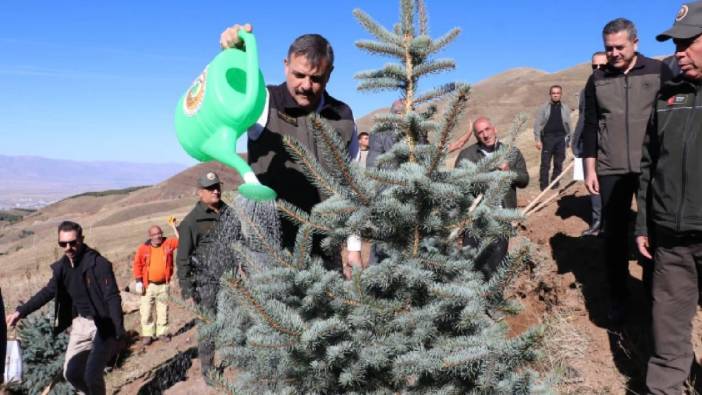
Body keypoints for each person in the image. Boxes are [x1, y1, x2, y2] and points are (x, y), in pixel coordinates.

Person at [220, 24, 358, 257]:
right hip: (268, 249)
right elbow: (229, 95)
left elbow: (353, 185)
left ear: (330, 74)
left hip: (324, 249)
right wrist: (232, 52)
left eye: (316, 78)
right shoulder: (262, 101)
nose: (306, 85)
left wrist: (353, 247)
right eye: (299, 75)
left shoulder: (342, 116)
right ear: (286, 67)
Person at [581, 18, 673, 323]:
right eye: (609, 48)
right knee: (614, 235)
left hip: (652, 167)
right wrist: (590, 168)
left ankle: (652, 295)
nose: (614, 53)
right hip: (611, 167)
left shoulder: (659, 72)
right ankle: (618, 296)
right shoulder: (597, 80)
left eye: (620, 47)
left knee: (653, 233)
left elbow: (673, 116)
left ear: (635, 43)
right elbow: (592, 126)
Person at [635, 2, 702, 392]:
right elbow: (648, 166)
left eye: (687, 42)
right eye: (674, 43)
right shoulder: (667, 98)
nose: (677, 51)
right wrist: (643, 222)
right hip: (670, 243)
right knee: (668, 340)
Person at [5, 221, 124, 395]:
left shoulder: (99, 264)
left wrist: (118, 330)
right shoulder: (62, 268)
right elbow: (47, 292)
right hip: (80, 324)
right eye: (63, 244)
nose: (68, 247)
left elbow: (112, 297)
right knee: (72, 374)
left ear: (81, 239)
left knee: (91, 375)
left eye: (73, 242)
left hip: (103, 324)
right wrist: (20, 312)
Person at [454, 117, 529, 279]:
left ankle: (491, 299)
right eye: (480, 132)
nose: (485, 134)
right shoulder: (466, 155)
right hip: (475, 218)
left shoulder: (512, 153)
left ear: (494, 129)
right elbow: (458, 185)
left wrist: (509, 171)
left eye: (487, 129)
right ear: (476, 136)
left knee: (496, 264)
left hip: (502, 217)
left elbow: (524, 180)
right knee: (470, 263)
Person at [176, 171, 229, 379]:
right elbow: (182, 258)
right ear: (200, 193)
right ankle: (208, 370)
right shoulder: (191, 222)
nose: (216, 191)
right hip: (206, 284)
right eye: (210, 188)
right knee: (208, 326)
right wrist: (187, 289)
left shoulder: (228, 212)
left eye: (217, 186)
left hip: (231, 279)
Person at [572, 52, 608, 237]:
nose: (598, 70)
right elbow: (583, 117)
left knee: (609, 185)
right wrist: (576, 141)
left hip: (609, 145)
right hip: (590, 144)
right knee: (593, 185)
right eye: (594, 66)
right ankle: (597, 223)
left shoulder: (614, 86)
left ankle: (608, 223)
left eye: (602, 66)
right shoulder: (588, 87)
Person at [133, 219, 179, 346]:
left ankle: (162, 333)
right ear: (150, 236)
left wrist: (174, 227)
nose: (158, 236)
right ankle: (148, 335)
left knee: (163, 310)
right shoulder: (143, 249)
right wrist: (138, 281)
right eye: (154, 234)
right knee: (146, 311)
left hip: (164, 284)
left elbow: (182, 241)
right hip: (149, 285)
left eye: (159, 233)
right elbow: (137, 264)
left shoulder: (168, 243)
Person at [534, 85, 573, 191]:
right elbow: (537, 124)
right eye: (553, 93)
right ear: (550, 94)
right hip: (547, 138)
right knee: (545, 163)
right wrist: (537, 139)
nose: (556, 95)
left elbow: (569, 124)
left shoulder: (565, 108)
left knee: (559, 162)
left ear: (561, 94)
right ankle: (543, 185)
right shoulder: (544, 108)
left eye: (558, 93)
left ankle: (555, 183)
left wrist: (570, 138)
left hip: (561, 138)